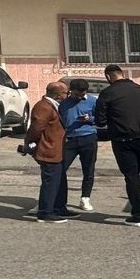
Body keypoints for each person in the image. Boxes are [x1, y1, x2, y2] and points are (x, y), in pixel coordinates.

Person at [94, 65, 140, 227]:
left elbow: (100, 121)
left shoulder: (107, 94)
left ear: (108, 77)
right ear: (123, 74)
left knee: (132, 177)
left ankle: (138, 215)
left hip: (123, 140)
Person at [24, 82, 77, 223]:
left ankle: (59, 208)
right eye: (66, 93)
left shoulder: (52, 105)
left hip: (56, 150)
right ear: (58, 95)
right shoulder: (44, 107)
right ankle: (45, 212)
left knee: (59, 181)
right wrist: (29, 144)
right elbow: (36, 129)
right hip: (48, 150)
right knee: (50, 182)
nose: (68, 95)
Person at [59, 79, 99, 211]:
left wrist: (90, 119)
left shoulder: (93, 101)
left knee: (88, 170)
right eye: (76, 95)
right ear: (71, 91)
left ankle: (85, 198)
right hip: (69, 138)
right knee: (59, 168)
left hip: (88, 137)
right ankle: (56, 197)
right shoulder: (63, 102)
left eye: (81, 95)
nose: (78, 97)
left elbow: (100, 118)